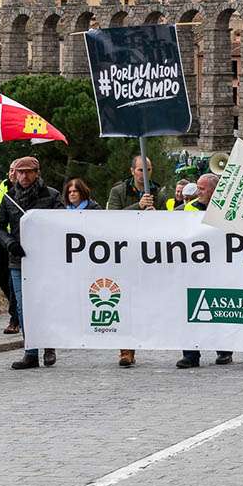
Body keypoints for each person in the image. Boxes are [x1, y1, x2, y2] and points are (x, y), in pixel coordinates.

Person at [0, 156, 63, 370]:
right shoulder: (9, 197)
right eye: (20, 172)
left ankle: (49, 346)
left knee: (46, 303)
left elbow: (63, 224)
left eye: (28, 172)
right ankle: (30, 351)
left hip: (45, 261)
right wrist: (10, 243)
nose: (24, 176)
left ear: (37, 173)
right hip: (18, 259)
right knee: (24, 308)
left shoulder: (51, 195)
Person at [106, 155, 169, 368]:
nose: (144, 174)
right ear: (133, 171)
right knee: (125, 302)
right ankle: (126, 349)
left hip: (149, 254)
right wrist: (137, 207)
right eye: (141, 170)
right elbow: (111, 219)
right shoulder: (119, 192)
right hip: (124, 254)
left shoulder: (158, 192)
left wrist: (155, 214)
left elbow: (168, 224)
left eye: (148, 170)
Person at [177, 173, 233, 368]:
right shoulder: (187, 209)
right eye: (198, 188)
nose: (197, 192)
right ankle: (190, 354)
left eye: (202, 188)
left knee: (218, 306)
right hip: (193, 266)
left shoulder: (226, 210)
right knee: (189, 309)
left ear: (214, 190)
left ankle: (224, 350)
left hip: (219, 265)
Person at [0, 162, 19, 334]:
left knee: (12, 280)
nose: (13, 173)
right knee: (2, 280)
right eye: (11, 169)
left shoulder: (22, 191)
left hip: (14, 240)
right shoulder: (2, 185)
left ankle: (15, 319)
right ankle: (19, 310)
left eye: (17, 170)